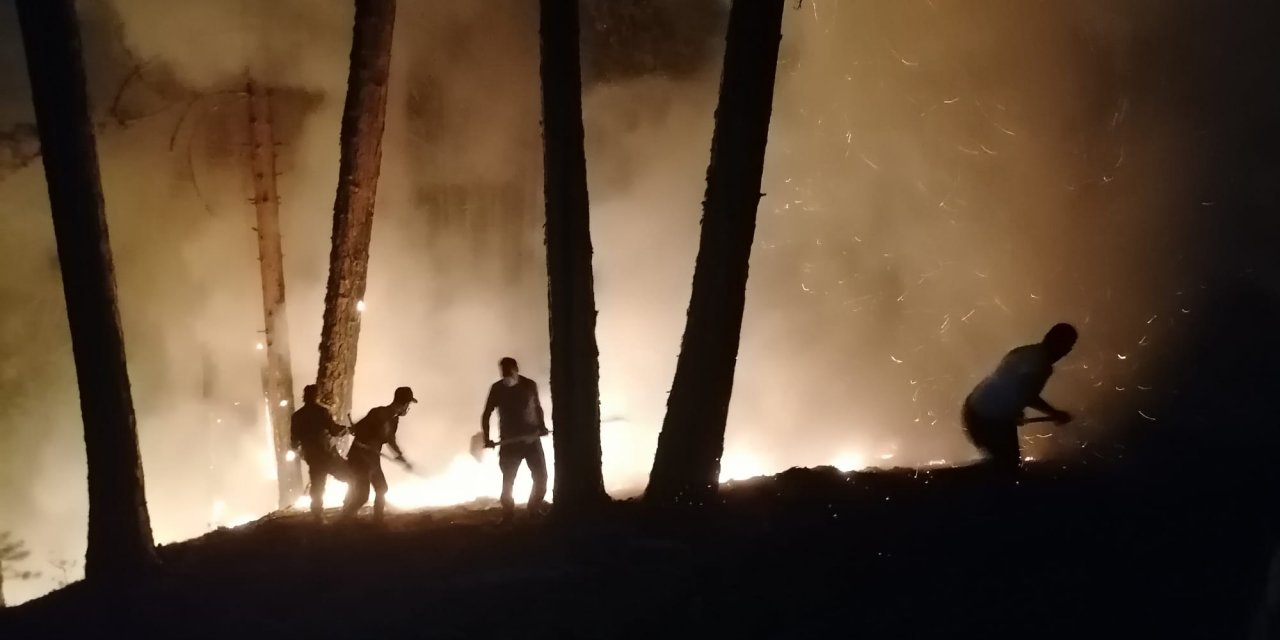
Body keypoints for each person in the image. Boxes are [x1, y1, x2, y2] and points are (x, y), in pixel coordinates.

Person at [962, 323, 1077, 472]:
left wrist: (1012, 410)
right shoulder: (1040, 366)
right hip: (987, 419)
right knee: (1008, 467)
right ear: (1056, 343)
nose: (1067, 352)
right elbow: (1027, 395)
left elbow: (1001, 383)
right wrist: (1054, 413)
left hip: (974, 409)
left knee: (1004, 464)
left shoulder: (1022, 352)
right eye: (1068, 345)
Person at [481, 357, 549, 523]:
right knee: (508, 480)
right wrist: (487, 437)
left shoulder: (529, 385)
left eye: (509, 372)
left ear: (516, 369)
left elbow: (537, 407)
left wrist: (542, 426)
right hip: (509, 442)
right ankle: (508, 514)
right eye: (503, 373)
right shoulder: (497, 389)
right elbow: (487, 413)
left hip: (531, 440)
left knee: (541, 477)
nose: (506, 376)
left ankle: (534, 508)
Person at [341, 386, 416, 522]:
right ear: (404, 404)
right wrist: (364, 439)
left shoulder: (393, 420)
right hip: (360, 457)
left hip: (372, 458)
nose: (408, 408)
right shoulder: (379, 413)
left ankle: (378, 521)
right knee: (363, 495)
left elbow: (390, 440)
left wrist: (401, 457)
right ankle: (343, 521)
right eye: (408, 404)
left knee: (382, 488)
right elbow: (358, 429)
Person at [289, 384, 351, 521]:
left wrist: (302, 453)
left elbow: (294, 441)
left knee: (317, 485)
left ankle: (317, 515)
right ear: (316, 396)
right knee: (351, 477)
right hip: (328, 454)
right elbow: (334, 430)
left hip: (313, 457)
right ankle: (349, 507)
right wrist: (346, 430)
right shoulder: (322, 412)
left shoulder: (297, 416)